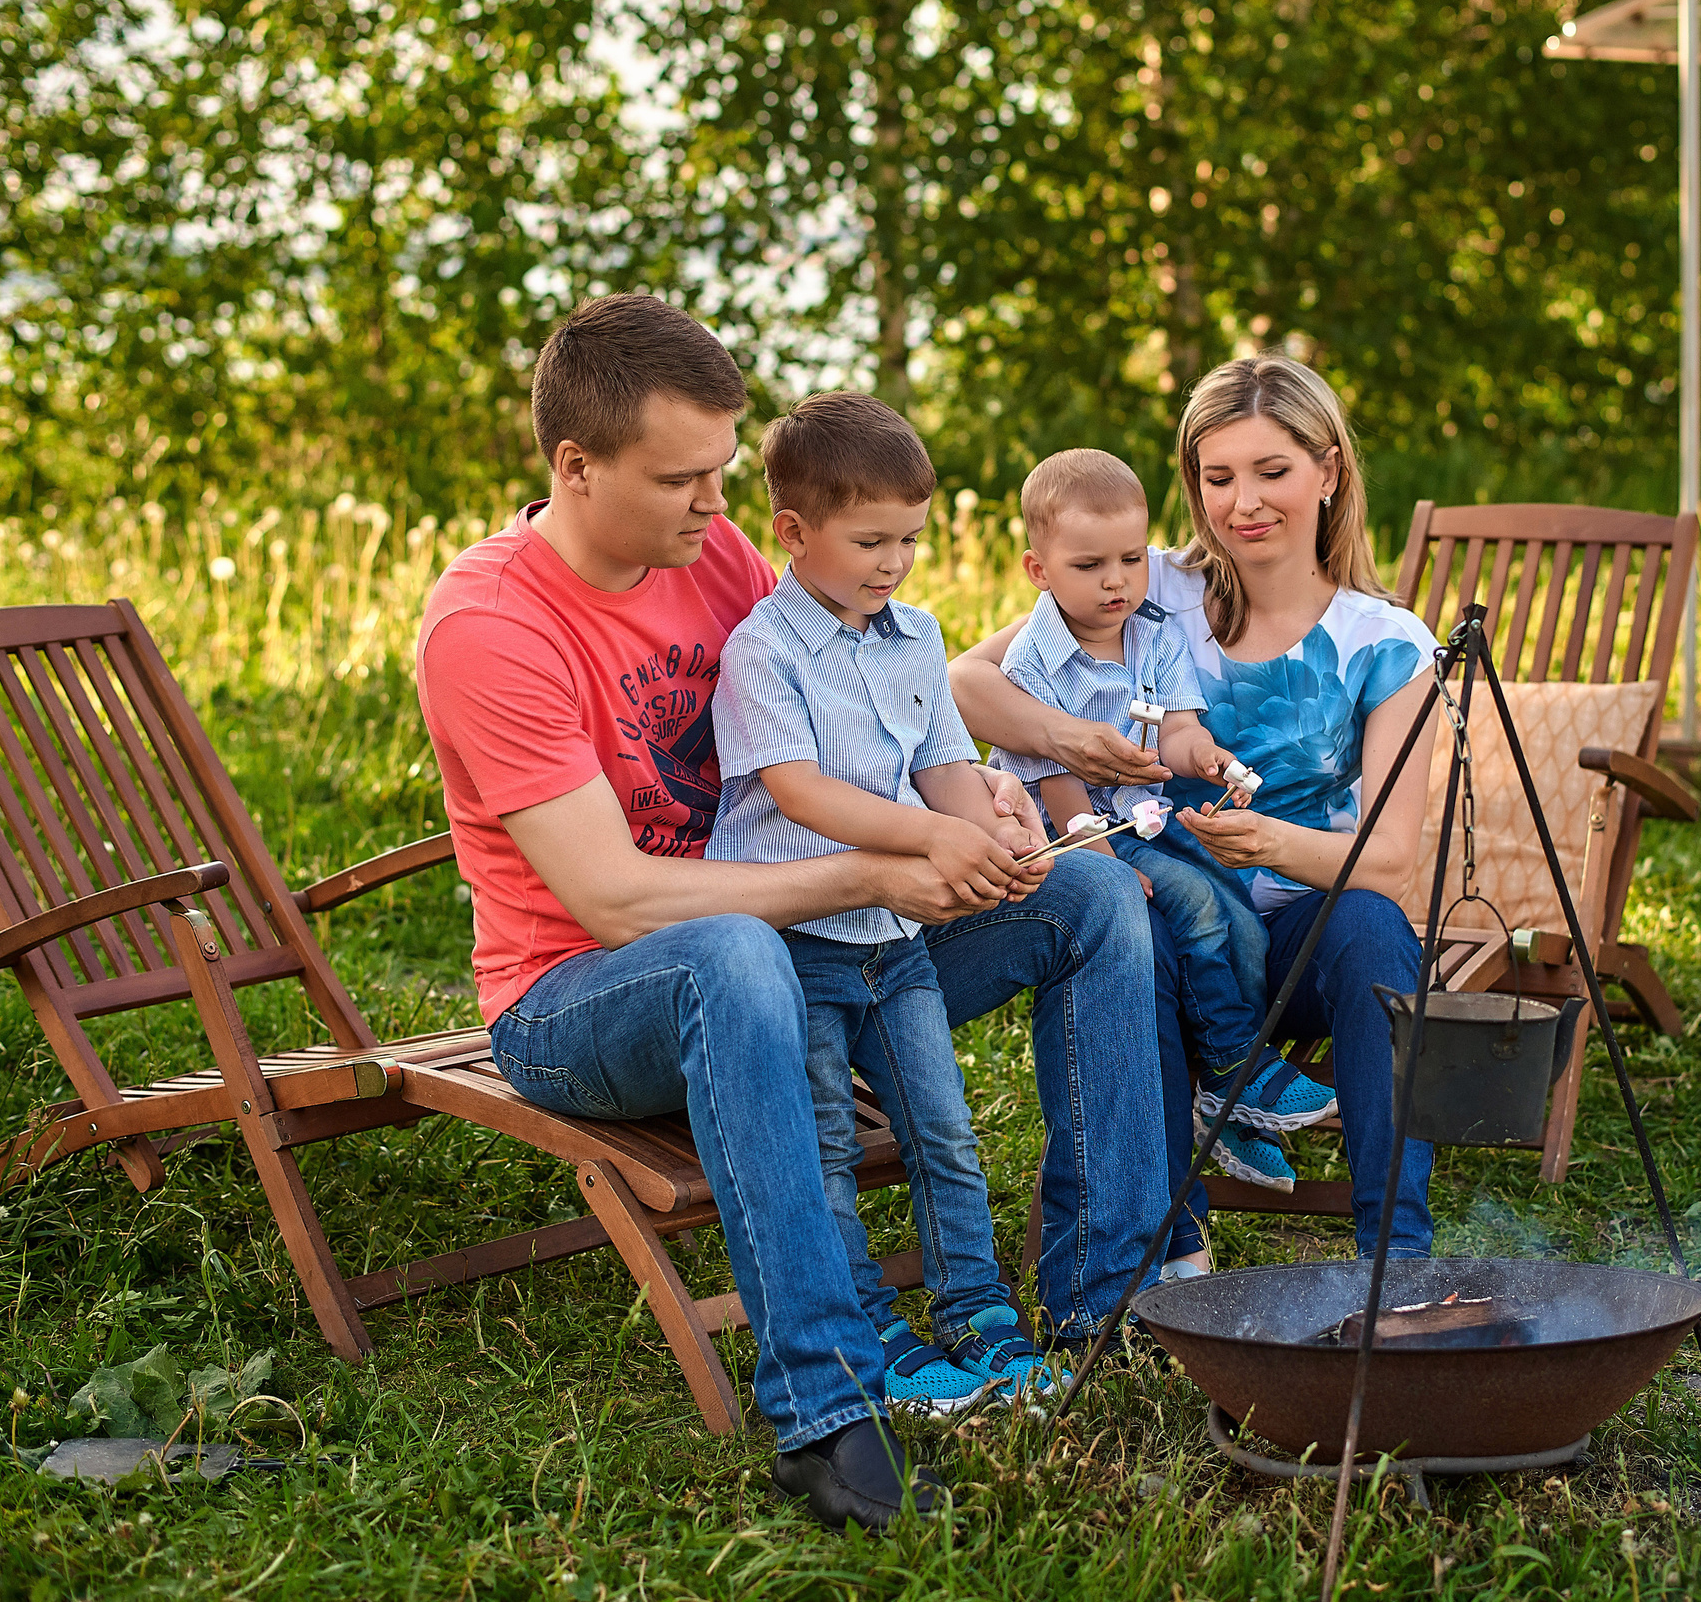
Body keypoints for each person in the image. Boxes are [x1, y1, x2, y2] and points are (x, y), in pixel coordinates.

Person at [414, 295, 1166, 1532]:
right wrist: (877, 873)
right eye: (684, 479)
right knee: (730, 956)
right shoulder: (492, 628)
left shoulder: (703, 553)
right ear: (575, 465)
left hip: (809, 943)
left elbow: (839, 697)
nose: (719, 509)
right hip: (582, 1000)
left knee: (1087, 889)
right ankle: (829, 1412)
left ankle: (1100, 1306)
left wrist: (978, 793)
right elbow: (613, 899)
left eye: (721, 472)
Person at [951, 356, 1439, 1272]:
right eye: (1218, 478)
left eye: (1272, 472)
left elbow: (1390, 861)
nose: (1243, 502)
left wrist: (1271, 843)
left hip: (1299, 925)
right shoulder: (1143, 585)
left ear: (1328, 472)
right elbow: (965, 684)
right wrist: (1072, 740)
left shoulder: (1387, 643)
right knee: (1136, 932)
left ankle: (1396, 1257)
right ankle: (1173, 1246)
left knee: (1374, 929)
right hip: (1157, 908)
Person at [706, 392, 1058, 1413]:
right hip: (798, 944)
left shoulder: (917, 636)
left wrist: (989, 838)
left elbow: (948, 762)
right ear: (793, 530)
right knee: (824, 1145)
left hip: (895, 938)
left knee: (940, 1127)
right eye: (869, 540)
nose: (893, 560)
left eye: (910, 537)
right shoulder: (762, 650)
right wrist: (934, 835)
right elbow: (799, 790)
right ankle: (867, 1322)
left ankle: (977, 1305)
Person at [983, 448, 1338, 1202]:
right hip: (1071, 838)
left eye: (1129, 559)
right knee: (1196, 904)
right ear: (1038, 569)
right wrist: (1106, 858)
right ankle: (1242, 1069)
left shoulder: (1151, 633)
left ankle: (1223, 1092)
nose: (1115, 580)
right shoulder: (1033, 659)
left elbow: (1174, 731)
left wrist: (1200, 753)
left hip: (1142, 814)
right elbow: (1050, 778)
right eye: (1088, 565)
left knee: (1236, 904)